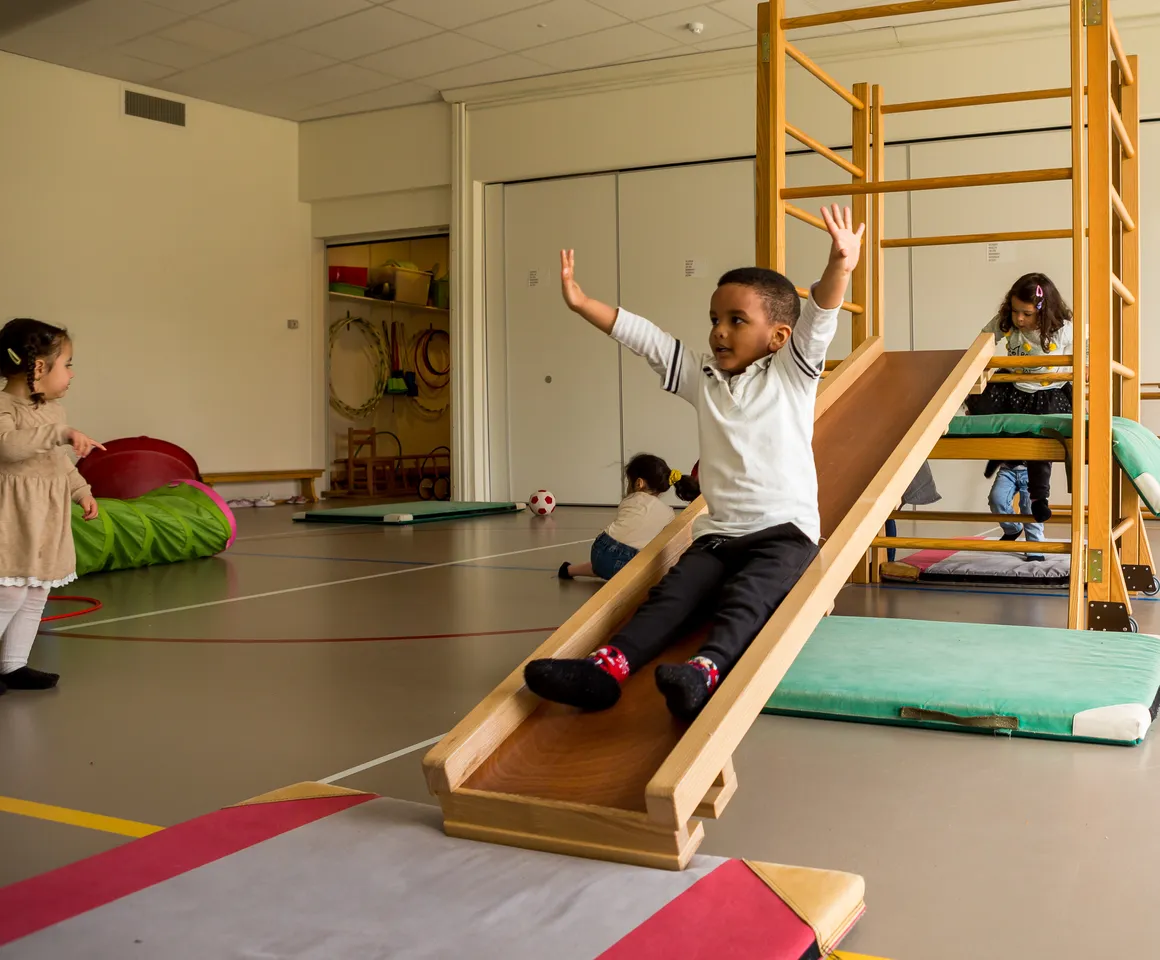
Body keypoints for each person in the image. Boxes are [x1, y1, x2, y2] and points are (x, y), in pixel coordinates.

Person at [525, 204, 862, 721]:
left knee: (749, 601)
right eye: (714, 320)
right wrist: (582, 303)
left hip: (785, 534)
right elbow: (647, 339)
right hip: (719, 534)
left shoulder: (791, 374)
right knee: (672, 595)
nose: (719, 332)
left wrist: (840, 262)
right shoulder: (702, 377)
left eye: (736, 321)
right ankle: (605, 670)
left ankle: (705, 671)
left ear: (776, 337)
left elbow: (819, 317)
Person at [0, 318, 104, 694]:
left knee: (37, 591)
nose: (72, 374)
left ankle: (13, 666)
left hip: (47, 516)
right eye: (68, 364)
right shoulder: (3, 405)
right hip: (13, 516)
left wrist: (81, 490)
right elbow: (8, 446)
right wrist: (58, 433)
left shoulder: (54, 413)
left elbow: (59, 462)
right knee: (10, 590)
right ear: (39, 367)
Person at [965, 273, 1074, 526]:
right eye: (1015, 311)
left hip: (1048, 393)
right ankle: (1002, 455)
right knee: (983, 406)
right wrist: (975, 362)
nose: (1019, 318)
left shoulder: (1062, 329)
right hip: (1015, 387)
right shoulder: (1009, 322)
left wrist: (1087, 365)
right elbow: (983, 340)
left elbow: (1088, 342)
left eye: (1026, 313)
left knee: (1039, 439)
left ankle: (1039, 497)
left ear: (1043, 312)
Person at [558, 453, 699, 581]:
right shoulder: (668, 513)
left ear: (639, 483)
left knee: (609, 559)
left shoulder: (630, 499)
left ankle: (569, 570)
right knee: (646, 557)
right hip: (628, 563)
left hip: (599, 550)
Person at [987, 462, 1045, 561]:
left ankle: (1035, 545)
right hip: (1007, 469)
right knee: (996, 499)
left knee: (1029, 505)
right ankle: (1012, 529)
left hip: (1031, 470)